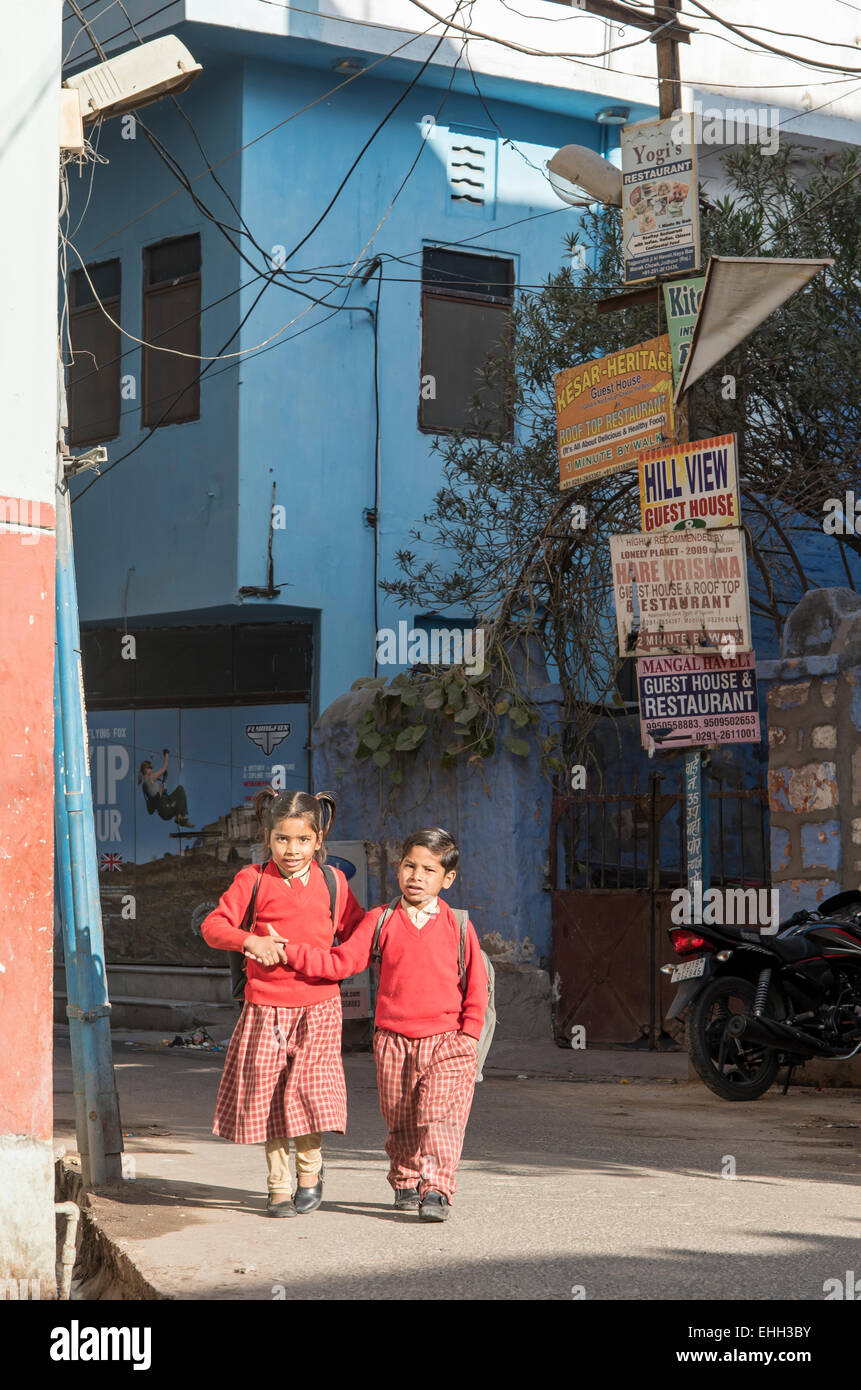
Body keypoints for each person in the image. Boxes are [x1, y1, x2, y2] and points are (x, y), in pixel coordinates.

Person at [280, 827, 487, 1223]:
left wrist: (470, 1036)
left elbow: (476, 985)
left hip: (448, 1042)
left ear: (448, 879)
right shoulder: (381, 920)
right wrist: (290, 952)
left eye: (429, 869)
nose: (416, 876)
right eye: (410, 865)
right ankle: (406, 1181)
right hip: (392, 1041)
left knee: (441, 1118)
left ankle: (437, 1188)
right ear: (399, 868)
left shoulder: (459, 926)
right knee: (401, 1119)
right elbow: (342, 962)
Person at [200, 789, 364, 1217]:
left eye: (303, 840)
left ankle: (309, 1175)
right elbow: (213, 926)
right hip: (265, 1007)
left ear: (318, 839)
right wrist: (248, 939)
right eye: (282, 840)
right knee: (271, 1097)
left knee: (309, 1094)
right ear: (267, 838)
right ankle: (277, 1185)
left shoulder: (334, 883)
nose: (293, 850)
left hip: (321, 1006)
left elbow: (358, 932)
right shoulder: (251, 880)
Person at [138, 750, 193, 827]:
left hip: (164, 810)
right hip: (164, 807)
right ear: (145, 769)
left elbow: (156, 796)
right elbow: (164, 768)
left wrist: (163, 782)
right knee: (180, 790)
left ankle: (179, 817)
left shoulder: (145, 785)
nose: (152, 769)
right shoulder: (150, 779)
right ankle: (180, 817)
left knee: (179, 793)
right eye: (150, 767)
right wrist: (166, 755)